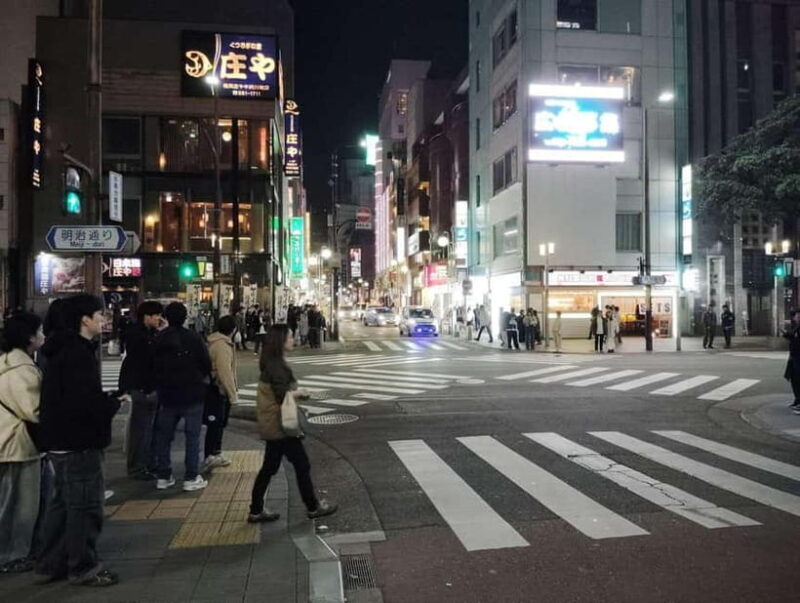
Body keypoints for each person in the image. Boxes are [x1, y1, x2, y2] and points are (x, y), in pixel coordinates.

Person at [36, 294, 127, 587]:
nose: (104, 319)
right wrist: (112, 404)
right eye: (99, 315)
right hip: (79, 441)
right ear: (84, 320)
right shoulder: (77, 354)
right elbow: (82, 402)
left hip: (59, 440)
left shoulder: (58, 350)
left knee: (62, 505)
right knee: (85, 507)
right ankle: (83, 566)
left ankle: (52, 562)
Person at [250, 325, 337, 523]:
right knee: (301, 464)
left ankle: (256, 509)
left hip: (272, 423)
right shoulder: (277, 367)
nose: (293, 339)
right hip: (281, 425)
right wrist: (300, 393)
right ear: (281, 341)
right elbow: (282, 396)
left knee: (270, 467)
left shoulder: (271, 363)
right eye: (290, 336)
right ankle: (313, 507)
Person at [0, 312, 45, 574]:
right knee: (20, 505)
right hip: (17, 444)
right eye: (39, 331)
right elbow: (34, 410)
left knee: (8, 502)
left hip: (6, 442)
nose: (43, 335)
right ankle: (13, 555)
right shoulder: (22, 370)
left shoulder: (5, 363)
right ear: (29, 337)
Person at [152, 302, 212, 492]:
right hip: (193, 392)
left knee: (164, 436)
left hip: (167, 393)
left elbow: (152, 365)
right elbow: (206, 363)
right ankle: (191, 476)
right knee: (192, 435)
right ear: (185, 317)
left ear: (166, 317)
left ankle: (164, 475)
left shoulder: (160, 338)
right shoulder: (193, 337)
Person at [119, 301, 163, 480]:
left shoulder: (149, 333)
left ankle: (147, 463)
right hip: (143, 387)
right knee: (141, 430)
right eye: (157, 315)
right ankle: (137, 467)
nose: (159, 319)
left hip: (148, 386)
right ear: (147, 316)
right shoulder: (137, 335)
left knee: (148, 429)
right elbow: (143, 362)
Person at [204, 315, 238, 470]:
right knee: (216, 423)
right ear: (233, 330)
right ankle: (212, 455)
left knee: (217, 423)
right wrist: (232, 394)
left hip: (215, 388)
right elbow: (225, 372)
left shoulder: (216, 342)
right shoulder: (222, 346)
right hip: (218, 390)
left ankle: (214, 453)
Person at [784, 310, 800, 414]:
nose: (798, 318)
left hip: (799, 357)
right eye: (797, 316)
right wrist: (788, 336)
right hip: (793, 356)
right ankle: (797, 400)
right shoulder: (796, 327)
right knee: (794, 379)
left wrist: (792, 338)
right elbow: (794, 339)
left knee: (799, 379)